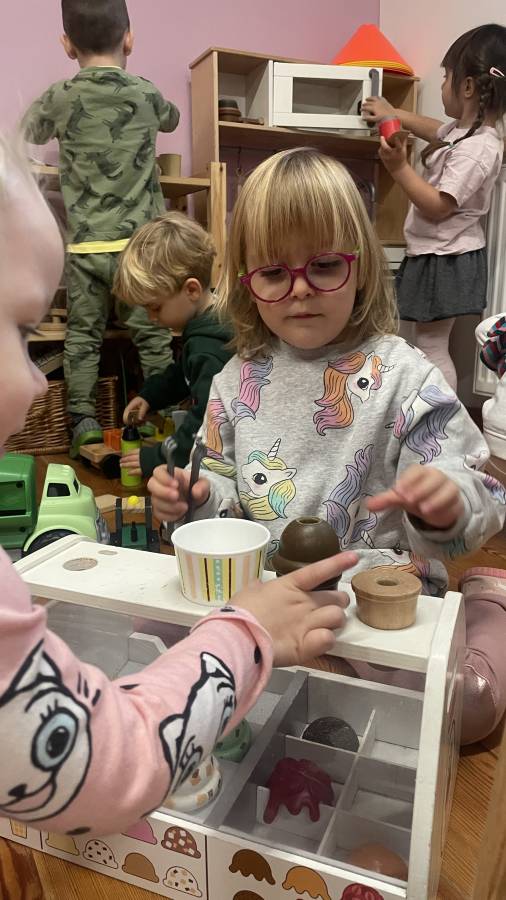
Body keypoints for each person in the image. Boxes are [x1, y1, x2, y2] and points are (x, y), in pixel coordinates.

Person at [0, 137, 355, 835]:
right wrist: (244, 630)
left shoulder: (221, 348)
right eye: (20, 332)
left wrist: (178, 467)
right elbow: (92, 767)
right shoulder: (226, 367)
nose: (41, 379)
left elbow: (201, 434)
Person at [149, 146, 506, 744]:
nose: (300, 291)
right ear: (247, 283)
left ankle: (490, 605)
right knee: (160, 659)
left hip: (378, 604)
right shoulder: (235, 381)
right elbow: (220, 498)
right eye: (273, 273)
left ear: (360, 268)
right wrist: (194, 501)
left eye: (323, 266)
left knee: (464, 710)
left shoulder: (405, 376)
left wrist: (445, 505)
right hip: (269, 603)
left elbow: (485, 493)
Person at [22, 0, 178, 456]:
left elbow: (29, 130)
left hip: (87, 249)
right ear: (129, 38)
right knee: (152, 334)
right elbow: (172, 119)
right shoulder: (145, 93)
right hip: (139, 252)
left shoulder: (60, 97)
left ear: (67, 45)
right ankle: (166, 420)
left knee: (83, 338)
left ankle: (83, 424)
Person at [362, 24, 506, 391]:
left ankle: (441, 415)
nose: (442, 85)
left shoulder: (479, 148)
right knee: (425, 341)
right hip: (437, 253)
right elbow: (433, 129)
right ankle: (430, 407)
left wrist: (399, 168)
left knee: (431, 344)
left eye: (445, 77)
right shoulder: (463, 133)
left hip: (447, 257)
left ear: (468, 87)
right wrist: (394, 112)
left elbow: (439, 206)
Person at [113, 212, 232, 478]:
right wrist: (150, 396)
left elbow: (205, 422)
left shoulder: (208, 347)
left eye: (155, 307)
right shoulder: (205, 326)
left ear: (191, 290)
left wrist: (158, 457)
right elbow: (182, 374)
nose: (151, 318)